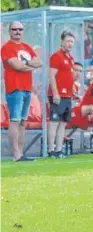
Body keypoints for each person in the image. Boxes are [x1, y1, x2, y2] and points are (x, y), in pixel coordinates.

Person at [1, 21, 42, 162]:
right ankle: (16, 154)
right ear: (10, 31)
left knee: (23, 122)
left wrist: (25, 65)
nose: (17, 31)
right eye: (14, 29)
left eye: (20, 29)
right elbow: (16, 66)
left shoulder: (27, 47)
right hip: (15, 88)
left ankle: (21, 153)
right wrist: (30, 65)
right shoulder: (6, 47)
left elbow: (39, 62)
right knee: (15, 120)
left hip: (27, 88)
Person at [47, 31, 76, 158]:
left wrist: (73, 90)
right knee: (54, 122)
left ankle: (59, 150)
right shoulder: (56, 56)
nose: (70, 44)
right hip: (58, 95)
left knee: (63, 123)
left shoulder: (70, 58)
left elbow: (69, 76)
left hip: (68, 96)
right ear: (62, 41)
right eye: (68, 41)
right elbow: (52, 76)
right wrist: (55, 93)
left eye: (72, 42)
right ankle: (51, 150)